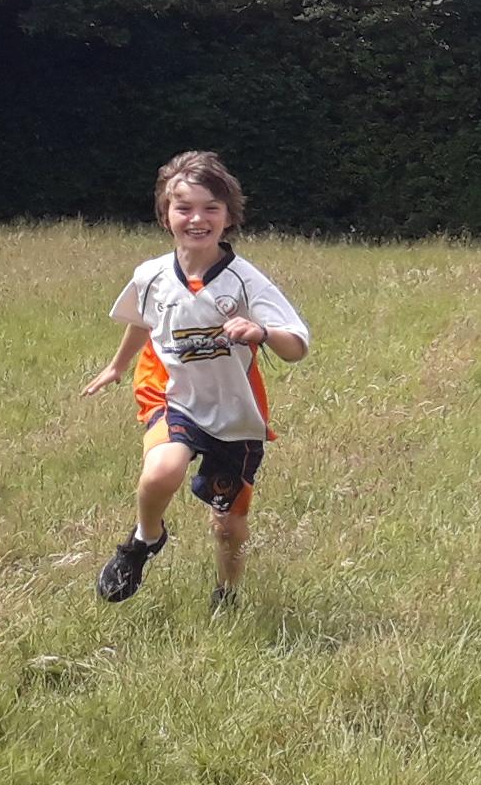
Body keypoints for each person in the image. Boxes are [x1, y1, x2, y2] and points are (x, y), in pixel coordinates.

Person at [83, 151, 311, 612]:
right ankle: (144, 540)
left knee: (228, 525)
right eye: (183, 207)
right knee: (162, 470)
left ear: (229, 216)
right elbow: (144, 321)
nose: (197, 218)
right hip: (174, 396)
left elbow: (297, 346)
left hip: (234, 414)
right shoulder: (150, 276)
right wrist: (118, 365)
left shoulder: (245, 282)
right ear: (165, 214)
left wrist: (261, 332)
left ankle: (226, 596)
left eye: (211, 207)